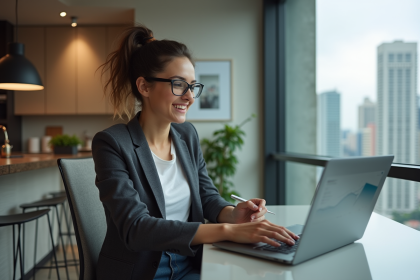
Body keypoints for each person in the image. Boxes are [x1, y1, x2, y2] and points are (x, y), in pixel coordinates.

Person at [92, 25, 299, 280]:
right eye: (179, 85)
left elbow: (206, 195)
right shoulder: (112, 143)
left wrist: (234, 214)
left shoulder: (186, 135)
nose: (190, 97)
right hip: (142, 272)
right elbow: (136, 229)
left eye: (193, 86)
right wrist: (228, 231)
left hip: (190, 263)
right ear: (144, 87)